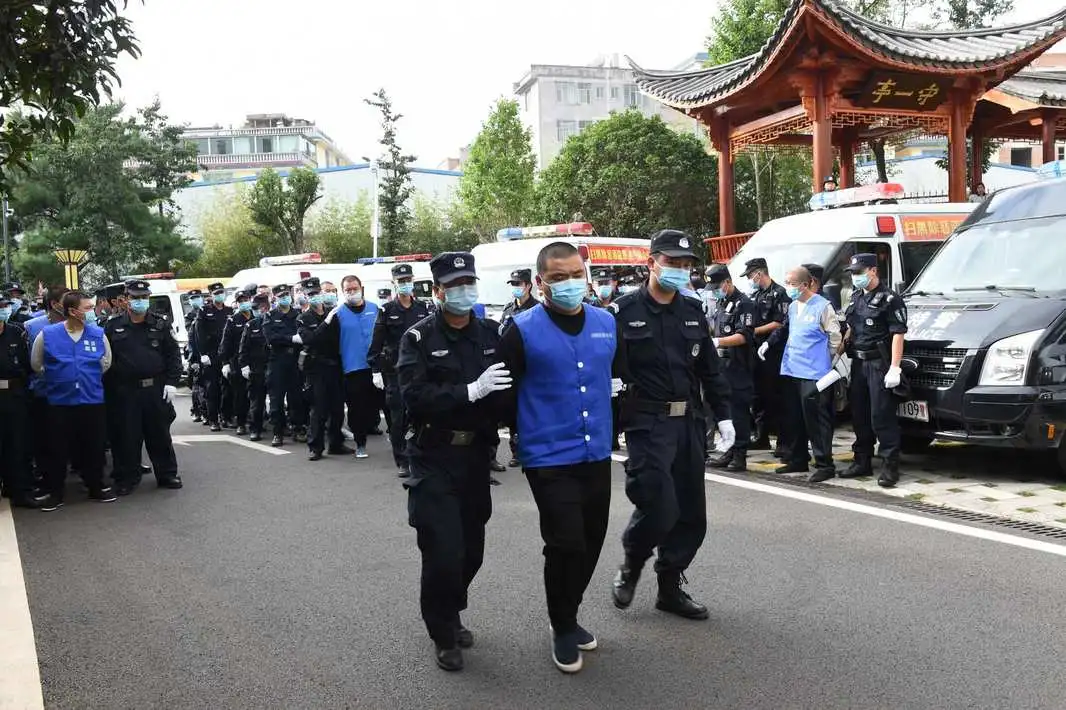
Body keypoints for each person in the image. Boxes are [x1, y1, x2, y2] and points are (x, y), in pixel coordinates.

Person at [497, 242, 619, 673]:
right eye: (557, 277)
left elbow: (615, 377)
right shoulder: (520, 329)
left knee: (592, 537)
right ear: (540, 283)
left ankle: (570, 608)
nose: (569, 283)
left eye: (575, 274)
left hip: (597, 449)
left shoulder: (606, 322)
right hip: (547, 454)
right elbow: (504, 391)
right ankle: (562, 623)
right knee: (565, 540)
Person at [609, 229, 733, 621]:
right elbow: (607, 373)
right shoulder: (622, 312)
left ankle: (669, 585)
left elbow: (711, 371)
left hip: (689, 424)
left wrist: (725, 416)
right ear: (651, 264)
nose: (680, 271)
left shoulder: (693, 312)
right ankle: (632, 563)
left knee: (692, 513)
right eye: (672, 263)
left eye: (685, 265)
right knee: (659, 505)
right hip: (647, 423)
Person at [398, 251, 506, 672]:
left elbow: (509, 389)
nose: (464, 291)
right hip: (433, 455)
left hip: (476, 456)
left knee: (471, 551)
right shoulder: (419, 339)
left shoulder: (491, 334)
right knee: (442, 550)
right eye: (455, 285)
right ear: (439, 291)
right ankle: (442, 631)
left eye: (469, 283)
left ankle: (451, 607)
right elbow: (414, 396)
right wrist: (469, 391)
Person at [31, 291, 118, 510]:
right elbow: (37, 363)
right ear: (72, 311)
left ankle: (96, 487)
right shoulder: (48, 334)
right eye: (88, 308)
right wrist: (59, 377)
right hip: (60, 401)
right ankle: (55, 492)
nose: (93, 312)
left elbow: (106, 362)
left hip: (91, 400)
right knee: (57, 448)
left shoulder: (97, 334)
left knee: (93, 446)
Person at [762, 267, 841, 483]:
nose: (788, 287)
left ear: (805, 285)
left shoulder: (822, 306)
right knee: (793, 417)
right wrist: (768, 344)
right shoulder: (794, 307)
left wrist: (829, 361)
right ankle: (798, 458)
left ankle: (825, 464)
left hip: (815, 373)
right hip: (792, 369)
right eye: (786, 282)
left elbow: (835, 338)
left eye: (792, 283)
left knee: (817, 420)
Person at [104, 279, 183, 495]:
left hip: (155, 389)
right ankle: (126, 478)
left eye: (144, 297)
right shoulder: (112, 326)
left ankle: (167, 474)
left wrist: (172, 383)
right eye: (135, 298)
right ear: (125, 299)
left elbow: (173, 355)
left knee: (159, 434)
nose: (140, 301)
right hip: (125, 391)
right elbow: (105, 360)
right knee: (126, 436)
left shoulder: (160, 323)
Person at [841, 253, 907, 488]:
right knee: (859, 414)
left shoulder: (890, 299)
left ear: (873, 271)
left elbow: (898, 334)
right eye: (853, 273)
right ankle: (862, 461)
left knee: (881, 415)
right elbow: (850, 328)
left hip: (879, 364)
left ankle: (890, 465)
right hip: (858, 363)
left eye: (859, 272)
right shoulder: (856, 297)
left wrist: (895, 367)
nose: (855, 277)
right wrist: (838, 352)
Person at [368, 264, 430, 475]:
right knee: (398, 418)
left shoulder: (423, 308)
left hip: (421, 371)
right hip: (395, 372)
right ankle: (402, 459)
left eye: (408, 280)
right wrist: (375, 370)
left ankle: (421, 455)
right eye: (401, 281)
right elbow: (376, 343)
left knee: (422, 415)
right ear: (394, 284)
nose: (405, 285)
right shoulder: (386, 311)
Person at [316, 275, 379, 459]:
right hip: (352, 369)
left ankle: (397, 440)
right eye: (348, 290)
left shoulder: (375, 309)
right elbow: (322, 340)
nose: (352, 292)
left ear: (361, 288)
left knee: (384, 406)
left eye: (355, 288)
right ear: (343, 292)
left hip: (376, 367)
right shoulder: (337, 313)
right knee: (357, 409)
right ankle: (360, 444)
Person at [704, 264, 755, 472]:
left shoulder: (744, 304)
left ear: (727, 282)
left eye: (717, 286)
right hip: (721, 366)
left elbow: (744, 335)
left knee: (739, 412)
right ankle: (729, 450)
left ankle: (740, 454)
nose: (715, 290)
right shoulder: (721, 302)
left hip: (738, 366)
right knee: (725, 411)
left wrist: (717, 342)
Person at [744, 257, 791, 457]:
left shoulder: (779, 294)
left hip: (774, 352)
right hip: (757, 352)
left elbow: (780, 323)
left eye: (750, 275)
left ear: (759, 273)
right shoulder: (756, 294)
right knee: (759, 397)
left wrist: (755, 330)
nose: (749, 279)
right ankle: (761, 438)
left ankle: (783, 441)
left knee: (776, 397)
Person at [0, 293, 44, 507]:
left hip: (15, 396)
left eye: (4, 305)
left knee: (19, 445)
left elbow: (28, 366)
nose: (3, 309)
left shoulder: (16, 333)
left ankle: (20, 491)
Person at [299, 278, 350, 460]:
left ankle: (336, 443)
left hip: (335, 366)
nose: (315, 297)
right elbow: (311, 339)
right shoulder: (303, 318)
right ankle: (316, 447)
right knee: (319, 409)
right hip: (317, 369)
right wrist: (326, 323)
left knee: (337, 408)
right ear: (305, 296)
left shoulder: (333, 313)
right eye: (310, 294)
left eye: (317, 293)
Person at [498, 268, 538, 468]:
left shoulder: (538, 309)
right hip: (511, 369)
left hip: (531, 368)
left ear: (528, 286)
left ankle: (532, 447)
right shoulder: (508, 310)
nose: (515, 288)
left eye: (518, 284)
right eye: (513, 284)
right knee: (514, 411)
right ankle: (517, 450)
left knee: (532, 410)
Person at [261, 284, 304, 447]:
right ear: (275, 298)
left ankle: (298, 429)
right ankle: (278, 432)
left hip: (295, 361)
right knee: (276, 400)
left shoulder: (298, 314)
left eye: (286, 295)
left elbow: (304, 333)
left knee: (296, 398)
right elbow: (271, 337)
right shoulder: (270, 316)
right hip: (277, 361)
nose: (284, 298)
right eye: (281, 296)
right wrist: (291, 338)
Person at [219, 284, 258, 436]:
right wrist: (225, 363)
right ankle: (241, 422)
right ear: (237, 303)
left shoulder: (256, 317)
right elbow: (225, 343)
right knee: (240, 395)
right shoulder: (233, 320)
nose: (244, 303)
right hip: (237, 362)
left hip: (255, 361)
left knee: (256, 395)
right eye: (241, 301)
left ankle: (256, 421)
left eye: (246, 299)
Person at [194, 282, 232, 432]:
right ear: (211, 295)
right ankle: (213, 419)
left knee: (228, 388)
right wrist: (202, 354)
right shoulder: (204, 311)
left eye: (221, 292)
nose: (219, 295)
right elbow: (199, 334)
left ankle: (225, 416)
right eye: (216, 293)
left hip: (226, 354)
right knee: (212, 389)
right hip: (211, 354)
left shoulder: (229, 310)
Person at [238, 293, 272, 442]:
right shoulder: (251, 325)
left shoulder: (274, 322)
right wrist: (244, 366)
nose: (258, 311)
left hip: (273, 366)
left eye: (260, 308)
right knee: (256, 402)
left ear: (266, 307)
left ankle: (280, 428)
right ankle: (255, 429)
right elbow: (243, 348)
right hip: (256, 369)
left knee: (277, 402)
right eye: (256, 308)